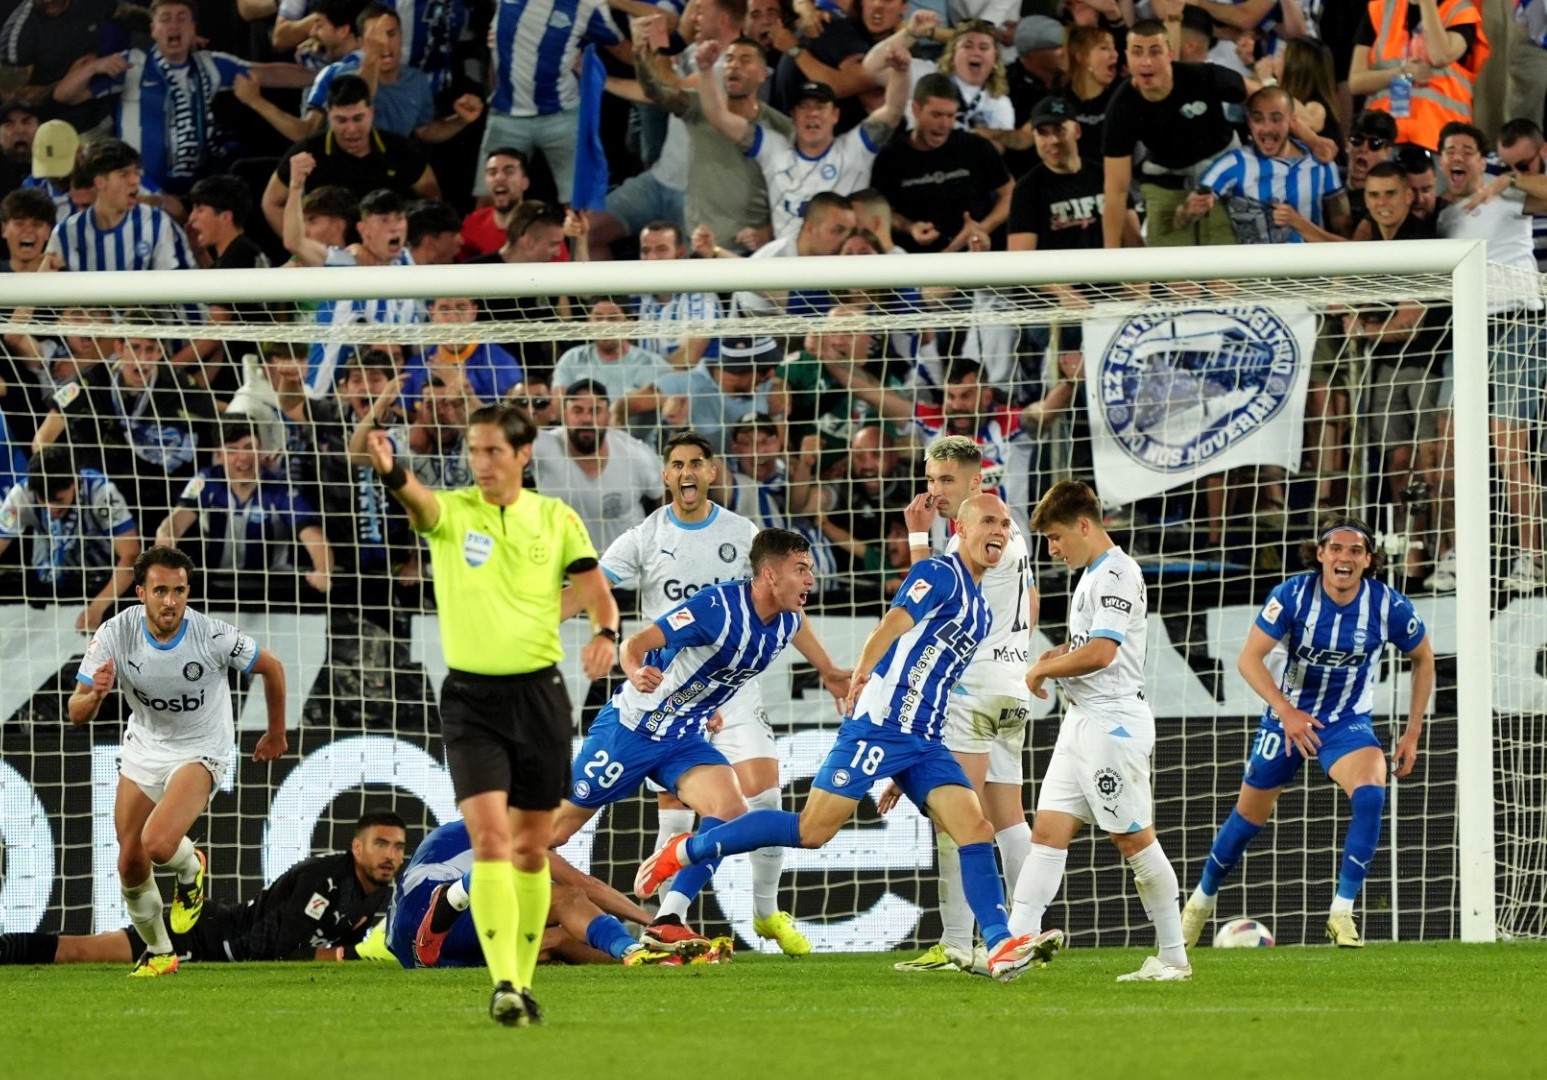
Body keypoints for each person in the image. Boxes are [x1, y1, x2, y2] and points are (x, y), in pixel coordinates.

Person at [635, 495, 1044, 983]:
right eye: (987, 521)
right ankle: (685, 850)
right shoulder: (938, 573)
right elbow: (891, 625)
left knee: (974, 829)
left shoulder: (979, 609)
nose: (998, 529)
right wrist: (863, 673)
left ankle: (998, 944)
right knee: (811, 831)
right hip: (878, 726)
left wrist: (901, 773)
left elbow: (938, 677)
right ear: (961, 528)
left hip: (924, 741)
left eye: (1005, 522)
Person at [365, 402, 620, 1026]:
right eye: (473, 451)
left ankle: (521, 979)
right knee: (490, 843)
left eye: (492, 452)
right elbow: (421, 504)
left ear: (522, 454)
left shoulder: (555, 519)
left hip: (538, 698)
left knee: (531, 851)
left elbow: (592, 585)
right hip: (472, 702)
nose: (480, 463)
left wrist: (606, 631)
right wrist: (395, 474)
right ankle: (506, 983)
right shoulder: (455, 513)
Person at [548, 528, 849, 950]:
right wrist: (636, 671)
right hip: (631, 730)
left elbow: (797, 627)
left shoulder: (786, 619)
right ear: (769, 576)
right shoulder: (716, 608)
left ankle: (669, 918)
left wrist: (829, 670)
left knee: (728, 809)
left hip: (683, 737)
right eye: (801, 570)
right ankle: (462, 892)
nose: (811, 581)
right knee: (552, 834)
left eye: (810, 570)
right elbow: (636, 643)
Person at [595, 433, 820, 955]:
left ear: (712, 472)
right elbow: (594, 585)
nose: (687, 471)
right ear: (666, 476)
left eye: (697, 462)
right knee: (676, 809)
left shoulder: (744, 533)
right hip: (675, 685)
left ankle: (765, 913)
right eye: (677, 464)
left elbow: (788, 607)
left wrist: (830, 669)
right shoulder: (646, 536)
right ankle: (667, 918)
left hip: (735, 684)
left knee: (763, 794)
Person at [1181, 518, 1434, 948]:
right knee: (1247, 820)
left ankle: (1342, 912)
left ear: (1368, 560)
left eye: (1356, 551)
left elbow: (1424, 658)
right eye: (1336, 548)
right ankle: (1199, 904)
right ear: (1320, 554)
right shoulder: (1293, 595)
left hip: (1345, 721)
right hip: (1287, 718)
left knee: (1372, 789)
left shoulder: (1387, 605)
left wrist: (1412, 733)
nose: (1345, 557)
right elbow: (1249, 659)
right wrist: (1286, 711)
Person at [67, 545, 289, 976]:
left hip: (201, 746)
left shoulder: (211, 635)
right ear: (140, 592)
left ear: (189, 592)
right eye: (160, 590)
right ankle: (161, 952)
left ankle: (192, 869)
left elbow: (273, 667)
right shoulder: (115, 633)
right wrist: (94, 694)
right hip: (145, 746)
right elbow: (75, 711)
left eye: (179, 591)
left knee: (159, 844)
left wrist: (276, 731)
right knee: (130, 861)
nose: (170, 601)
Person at [1004, 480, 1190, 982]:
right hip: (1081, 719)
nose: (1052, 548)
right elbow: (1091, 641)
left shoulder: (1115, 574)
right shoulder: (1093, 574)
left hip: (1112, 724)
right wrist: (1060, 652)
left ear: (1085, 526)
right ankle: (1014, 948)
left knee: (1133, 841)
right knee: (1047, 832)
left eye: (1057, 537)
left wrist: (1043, 671)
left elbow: (1104, 653)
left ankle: (1174, 957)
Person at [892, 437, 1038, 975]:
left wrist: (915, 537)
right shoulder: (1010, 533)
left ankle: (957, 944)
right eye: (931, 479)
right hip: (1010, 684)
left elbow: (925, 603)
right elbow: (1033, 601)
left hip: (972, 688)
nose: (935, 491)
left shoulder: (971, 537)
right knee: (1007, 819)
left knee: (956, 821)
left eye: (947, 480)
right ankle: (1025, 933)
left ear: (977, 482)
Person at [0, 811, 406, 966]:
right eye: (381, 844)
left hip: (218, 942)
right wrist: (347, 956)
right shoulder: (325, 878)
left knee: (84, 951)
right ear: (356, 846)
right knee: (80, 952)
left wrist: (346, 955)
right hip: (202, 933)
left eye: (399, 847)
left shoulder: (380, 893)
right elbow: (286, 950)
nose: (390, 855)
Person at [382, 819, 721, 969]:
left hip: (411, 944)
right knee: (565, 898)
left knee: (558, 939)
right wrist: (659, 923)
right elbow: (586, 889)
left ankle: (655, 961)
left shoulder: (462, 832)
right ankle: (636, 949)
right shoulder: (514, 832)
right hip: (435, 915)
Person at [0, 444, 140, 632]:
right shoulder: (20, 496)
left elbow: (130, 557)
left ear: (74, 482)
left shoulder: (101, 491)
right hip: (55, 583)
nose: (50, 508)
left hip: (106, 581)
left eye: (58, 500)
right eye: (43, 500)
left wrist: (98, 606)